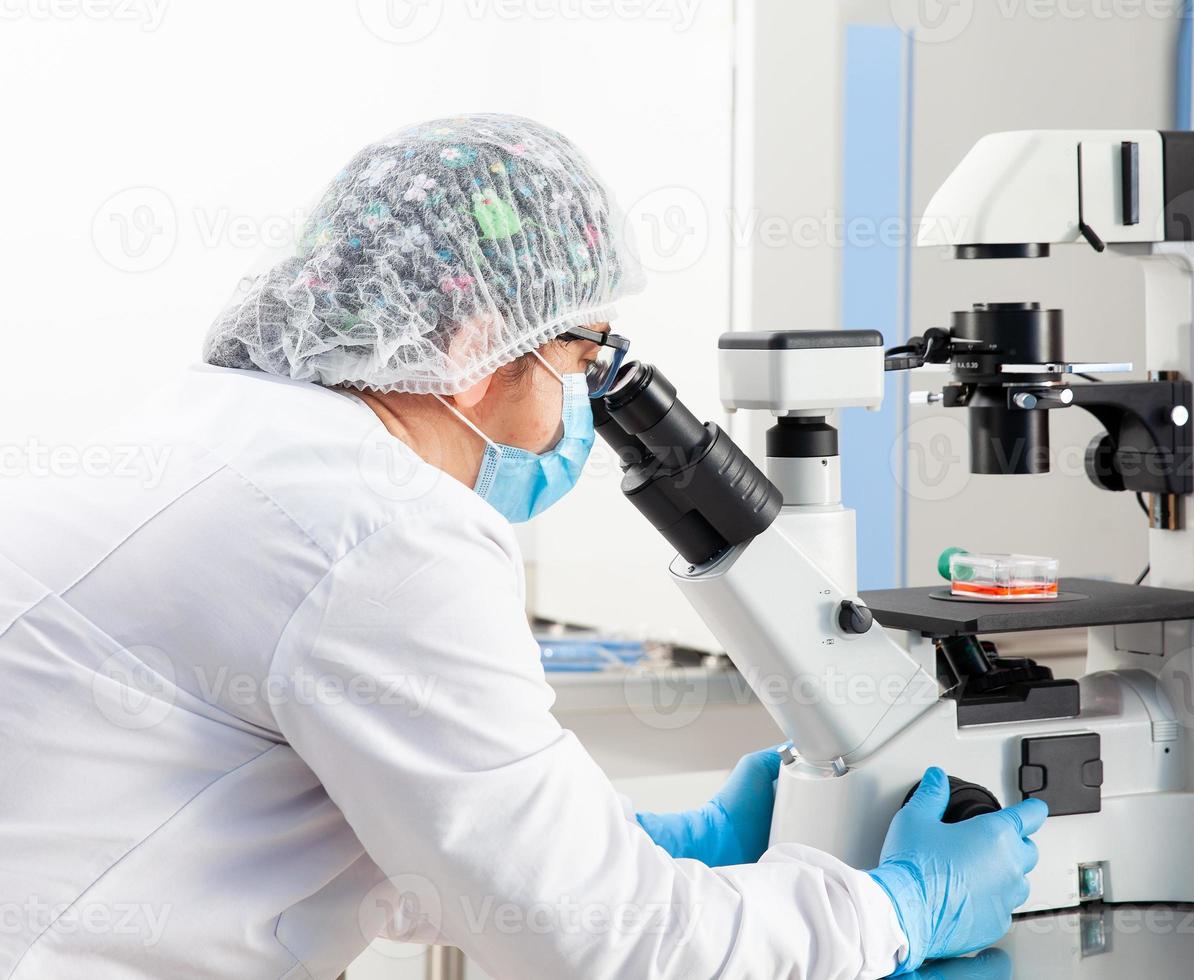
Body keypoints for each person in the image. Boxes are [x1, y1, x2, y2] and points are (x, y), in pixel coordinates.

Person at [0, 114, 1044, 979]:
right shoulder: (380, 527)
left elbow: (394, 834)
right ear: (466, 348)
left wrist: (638, 846)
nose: (577, 412)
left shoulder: (221, 430)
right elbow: (613, 947)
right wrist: (892, 909)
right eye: (579, 356)